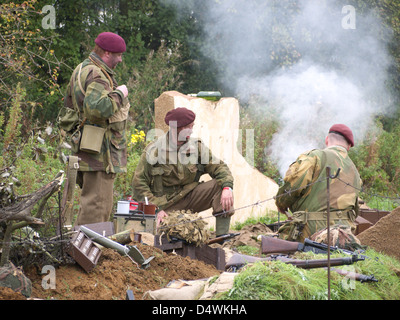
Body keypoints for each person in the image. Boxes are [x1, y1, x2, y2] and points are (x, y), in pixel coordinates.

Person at [132, 107, 234, 236]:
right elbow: (138, 183)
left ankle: (222, 239)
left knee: (221, 185)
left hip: (190, 198)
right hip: (165, 205)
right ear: (177, 128)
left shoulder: (196, 147)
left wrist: (227, 187)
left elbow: (219, 167)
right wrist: (156, 209)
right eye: (188, 127)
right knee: (169, 236)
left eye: (192, 126)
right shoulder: (154, 150)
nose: (191, 131)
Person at [62, 32, 130, 225]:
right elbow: (97, 109)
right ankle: (84, 254)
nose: (120, 59)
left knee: (92, 206)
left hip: (87, 146)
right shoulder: (97, 73)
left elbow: (69, 107)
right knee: (97, 211)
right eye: (118, 55)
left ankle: (77, 251)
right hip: (99, 152)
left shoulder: (81, 69)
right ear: (107, 53)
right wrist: (119, 93)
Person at [275, 124, 362, 242]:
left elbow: (294, 185)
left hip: (310, 233)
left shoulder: (315, 156)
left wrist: (281, 202)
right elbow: (355, 210)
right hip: (343, 236)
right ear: (349, 146)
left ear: (327, 140)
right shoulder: (355, 171)